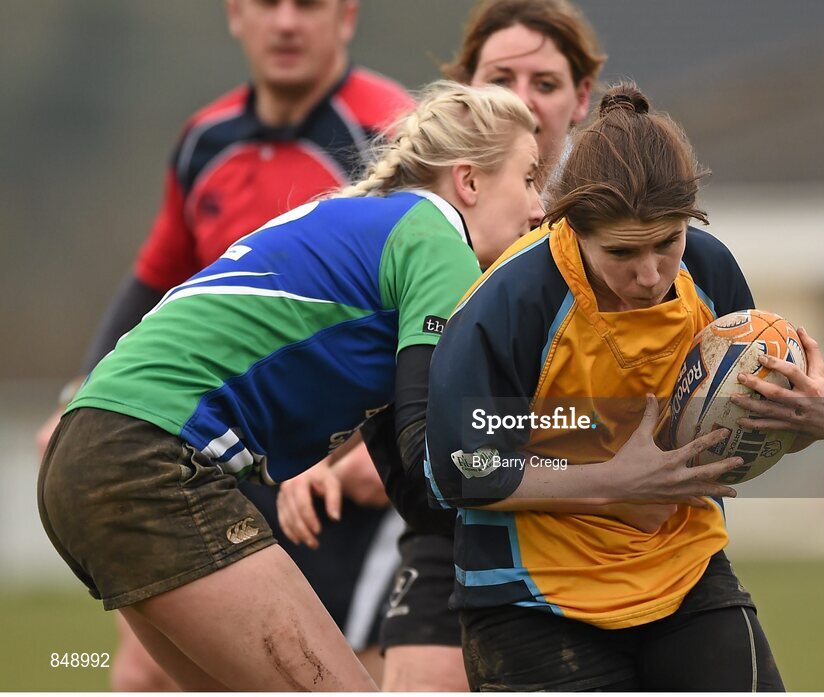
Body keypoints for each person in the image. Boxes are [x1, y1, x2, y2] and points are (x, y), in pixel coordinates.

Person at [37, 81, 543, 691]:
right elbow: (435, 447)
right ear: (469, 181)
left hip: (89, 453)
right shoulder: (439, 237)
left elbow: (413, 481)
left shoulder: (383, 227)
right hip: (148, 457)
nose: (540, 209)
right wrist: (589, 464)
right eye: (531, 179)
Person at [34, 0, 413, 687]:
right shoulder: (205, 139)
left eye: (309, 5)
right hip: (207, 449)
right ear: (236, 14)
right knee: (146, 674)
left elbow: (425, 297)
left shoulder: (389, 131)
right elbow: (152, 281)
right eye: (268, 4)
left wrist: (378, 442)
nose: (288, 23)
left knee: (343, 673)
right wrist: (80, 395)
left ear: (347, 15)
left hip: (324, 472)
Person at [425, 84, 824, 691]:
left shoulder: (709, 273)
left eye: (667, 243)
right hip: (531, 600)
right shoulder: (511, 302)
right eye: (622, 252)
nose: (650, 274)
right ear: (571, 227)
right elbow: (454, 469)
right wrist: (612, 482)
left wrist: (815, 424)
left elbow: (728, 446)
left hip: (683, 570)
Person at [275, 0, 606, 689]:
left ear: (580, 99)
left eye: (544, 83)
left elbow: (613, 410)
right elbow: (381, 376)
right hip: (445, 532)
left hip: (580, 526)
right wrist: (317, 451)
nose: (523, 100)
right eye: (500, 81)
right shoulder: (431, 233)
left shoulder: (613, 231)